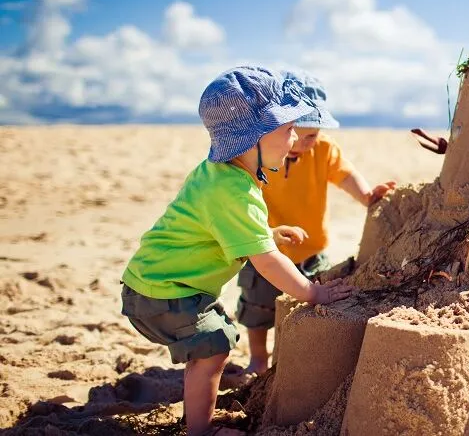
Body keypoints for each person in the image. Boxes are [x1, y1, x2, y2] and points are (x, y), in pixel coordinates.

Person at [119, 66, 355, 436]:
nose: (294, 138)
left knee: (215, 342)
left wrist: (268, 233)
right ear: (252, 138)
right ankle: (200, 430)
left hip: (155, 283)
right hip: (163, 292)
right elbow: (265, 262)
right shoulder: (233, 191)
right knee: (213, 345)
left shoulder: (221, 174)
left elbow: (224, 229)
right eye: (287, 128)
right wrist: (313, 292)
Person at [236, 69, 395, 375]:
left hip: (312, 250)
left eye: (314, 134)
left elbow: (344, 174)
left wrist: (365, 195)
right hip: (264, 246)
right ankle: (258, 358)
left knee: (316, 303)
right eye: (299, 133)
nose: (306, 142)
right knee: (258, 306)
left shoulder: (322, 150)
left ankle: (297, 357)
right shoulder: (262, 152)